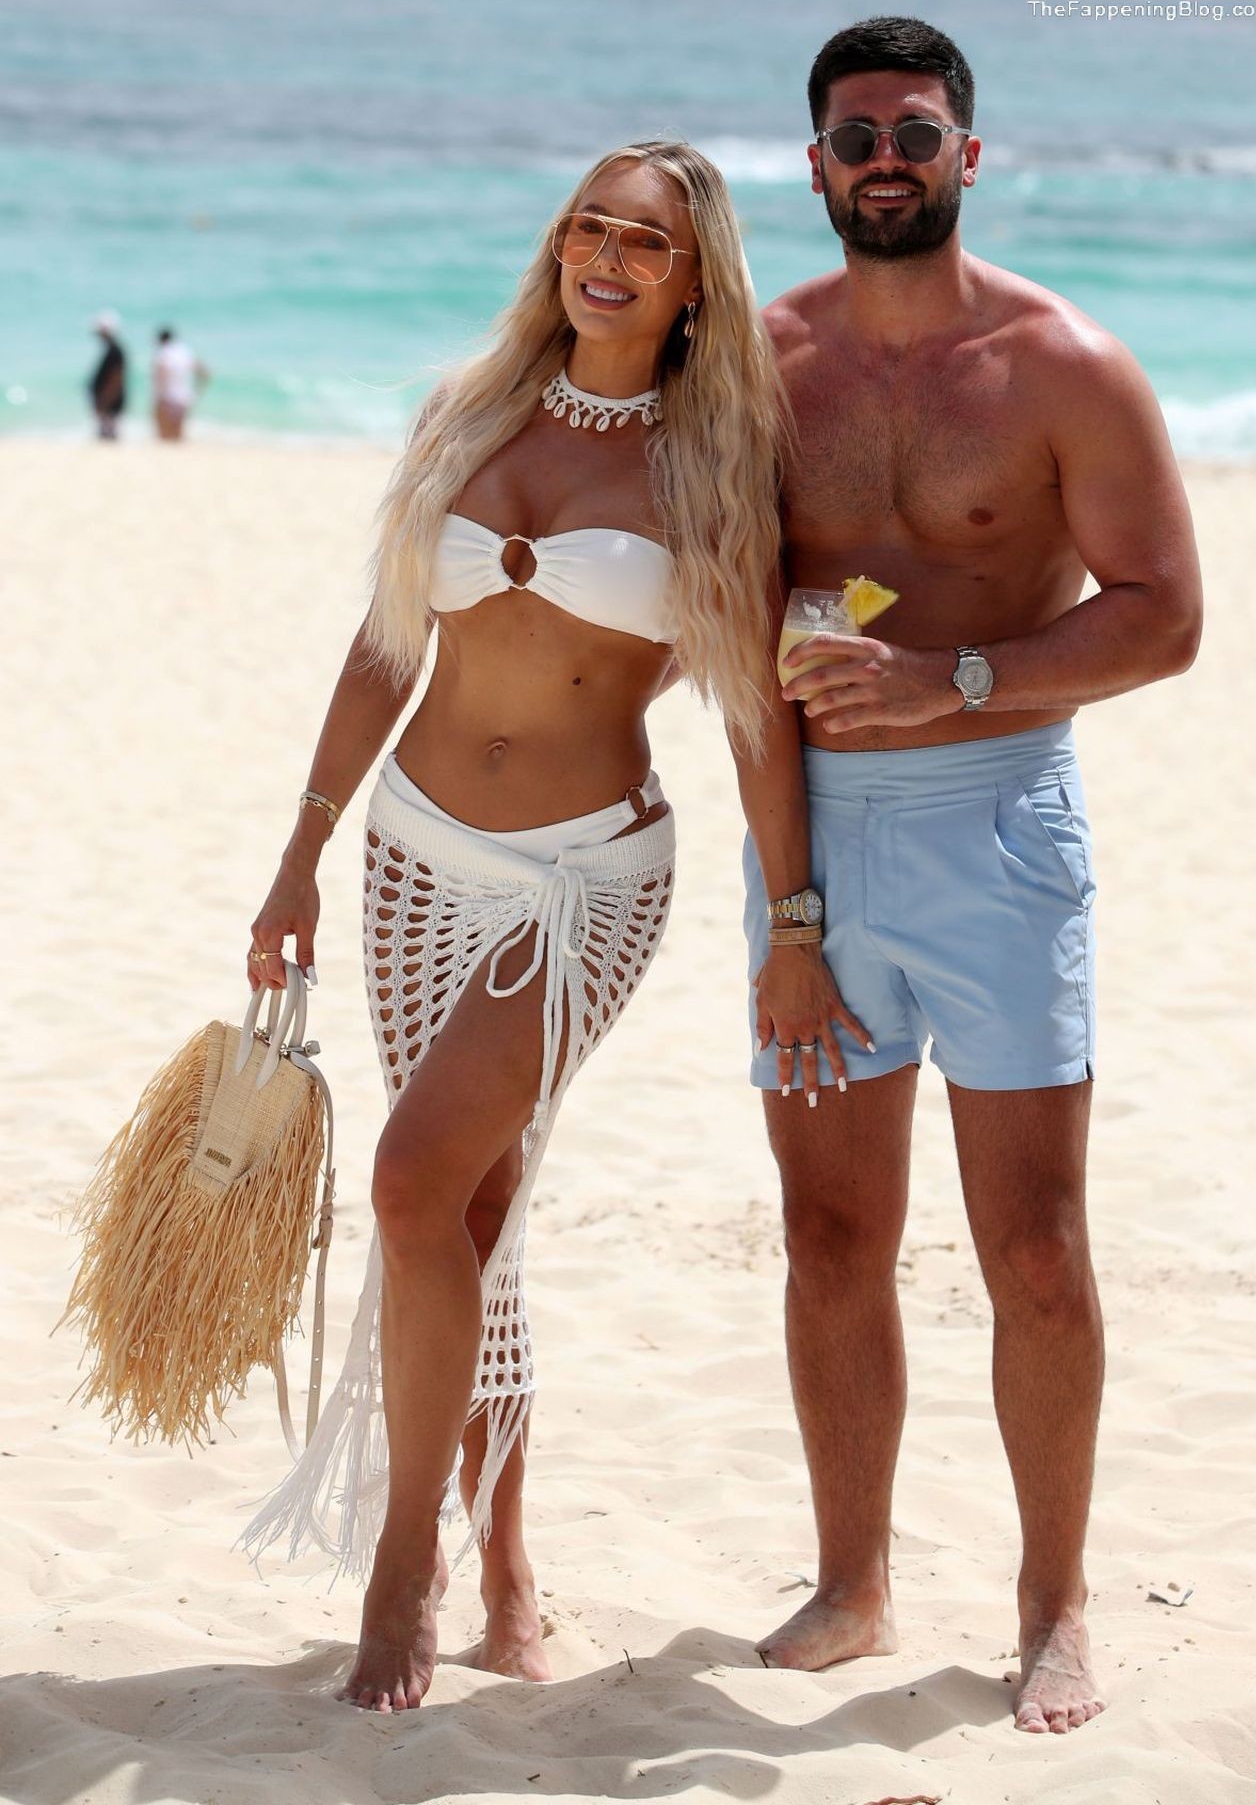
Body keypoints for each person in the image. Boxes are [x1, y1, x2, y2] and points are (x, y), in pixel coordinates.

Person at [234, 139, 865, 1712]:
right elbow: (385, 648)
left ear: (695, 282)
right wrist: (300, 852)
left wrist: (793, 925)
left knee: (411, 1182)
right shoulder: (469, 411)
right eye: (589, 227)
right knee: (471, 1215)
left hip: (586, 883)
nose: (608, 257)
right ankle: (507, 1565)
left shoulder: (713, 469)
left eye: (645, 242)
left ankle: (406, 1563)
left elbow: (755, 724)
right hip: (409, 858)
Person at [744, 17, 1203, 1734]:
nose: (888, 159)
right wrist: (791, 910)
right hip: (811, 840)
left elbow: (1167, 616)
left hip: (1003, 823)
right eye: (858, 135)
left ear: (968, 155)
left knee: (1035, 1246)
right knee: (829, 1230)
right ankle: (853, 1582)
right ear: (814, 163)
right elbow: (723, 631)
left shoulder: (1067, 366)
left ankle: (1053, 1602)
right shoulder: (758, 369)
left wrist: (964, 682)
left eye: (916, 133)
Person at [151, 327, 209, 439]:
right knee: (178, 436)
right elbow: (205, 372)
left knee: (164, 436)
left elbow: (161, 376)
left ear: (161, 340)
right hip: (184, 398)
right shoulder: (184, 352)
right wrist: (197, 392)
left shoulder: (163, 353)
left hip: (167, 398)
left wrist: (158, 397)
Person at [88, 312, 127, 440]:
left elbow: (116, 379)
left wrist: (104, 400)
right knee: (105, 434)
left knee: (108, 435)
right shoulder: (111, 350)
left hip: (111, 402)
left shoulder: (115, 351)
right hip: (108, 401)